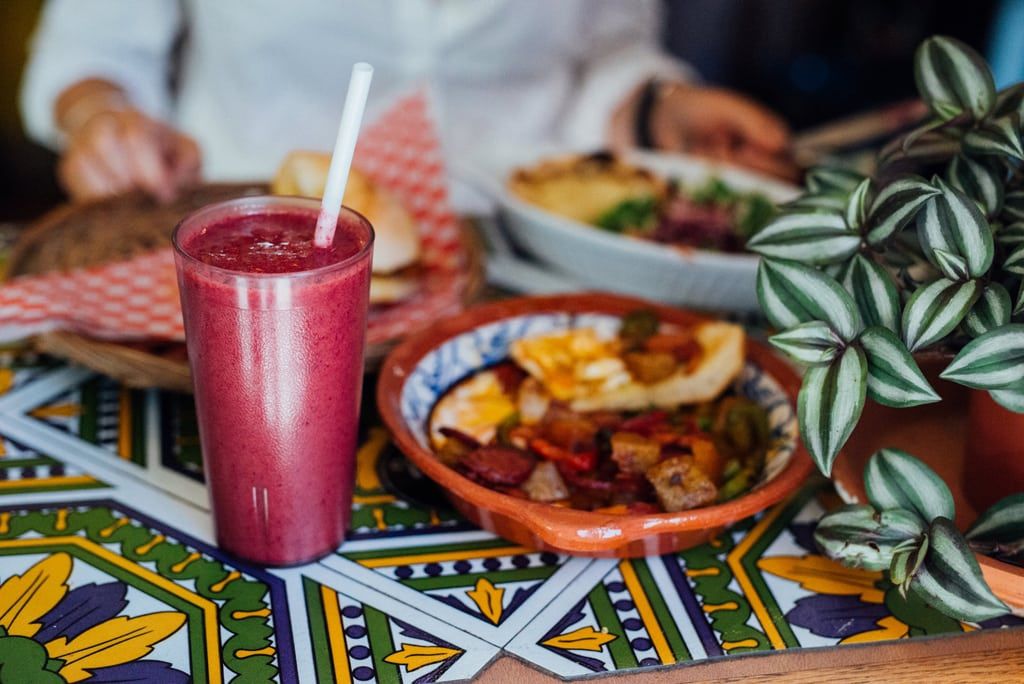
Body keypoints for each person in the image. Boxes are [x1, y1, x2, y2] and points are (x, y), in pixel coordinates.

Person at [20, 0, 795, 208]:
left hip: (531, 247)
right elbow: (93, 49)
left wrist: (658, 106)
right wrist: (101, 118)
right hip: (245, 237)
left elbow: (608, 39)